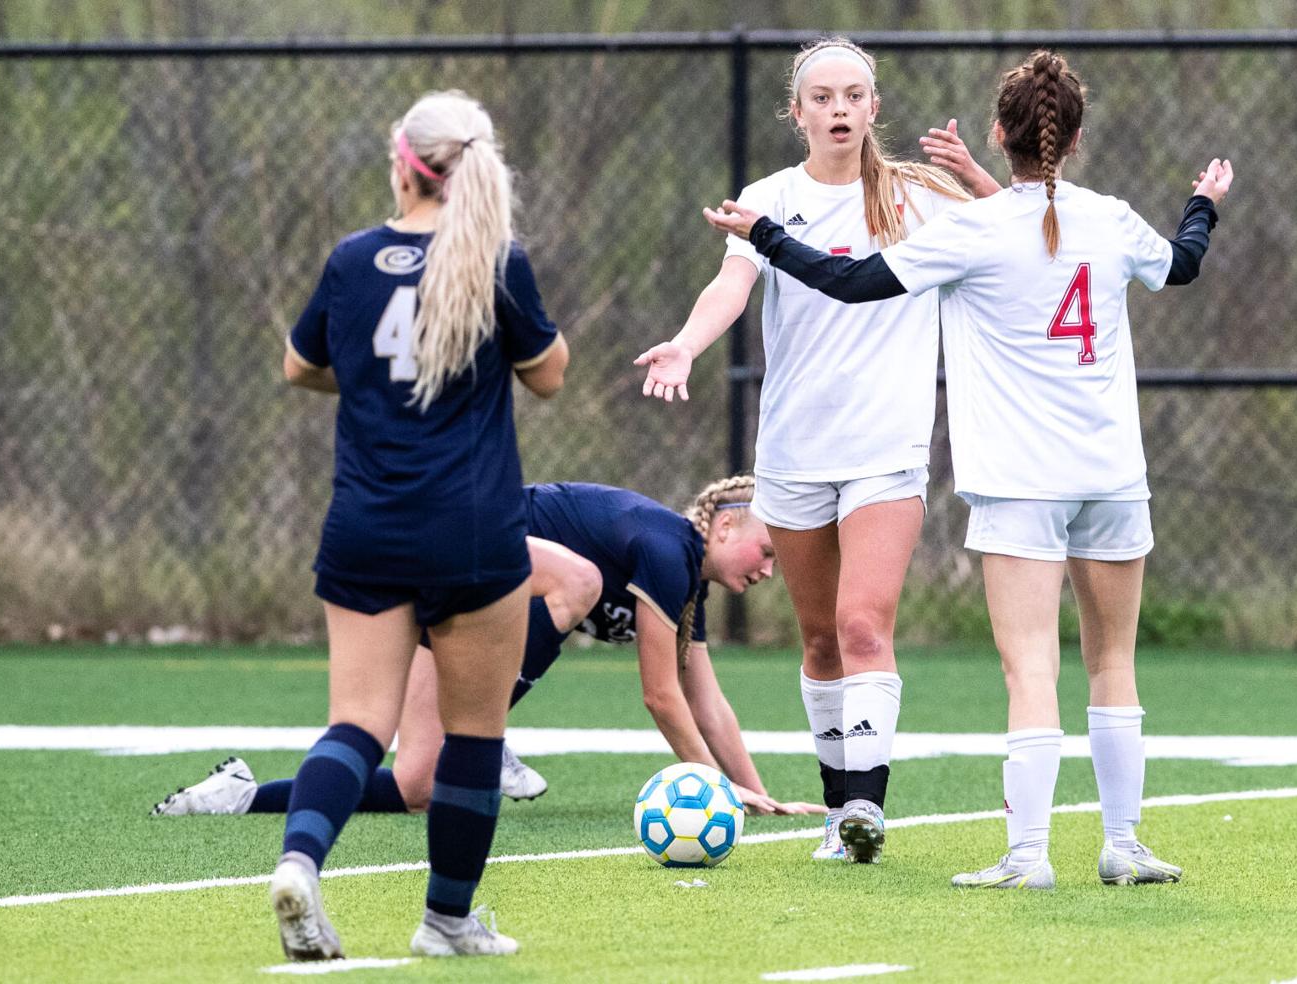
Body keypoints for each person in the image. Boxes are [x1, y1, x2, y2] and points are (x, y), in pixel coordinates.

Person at [702, 49, 1232, 890]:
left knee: (1031, 669)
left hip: (1022, 480)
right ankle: (1124, 846)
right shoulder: (1105, 218)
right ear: (1078, 136)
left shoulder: (972, 231)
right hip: (1112, 475)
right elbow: (1184, 261)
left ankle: (1027, 858)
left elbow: (847, 280)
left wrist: (761, 233)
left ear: (997, 133)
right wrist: (1202, 203)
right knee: (1112, 666)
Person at [635, 37, 998, 865]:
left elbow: (1018, 232)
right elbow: (732, 285)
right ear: (796, 114)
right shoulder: (769, 198)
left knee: (865, 625)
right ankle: (840, 817)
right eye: (823, 97)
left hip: (888, 448)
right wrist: (687, 346)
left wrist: (979, 180)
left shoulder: (918, 198)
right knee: (821, 639)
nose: (839, 109)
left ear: (875, 108)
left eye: (854, 95)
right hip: (796, 449)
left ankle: (865, 808)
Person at [271, 89, 568, 961]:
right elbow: (547, 376)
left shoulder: (352, 259)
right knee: (474, 736)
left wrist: (369, 381)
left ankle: (299, 860)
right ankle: (446, 922)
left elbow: (301, 367)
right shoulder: (495, 261)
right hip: (472, 535)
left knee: (357, 723)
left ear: (403, 162)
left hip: (365, 526)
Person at [153, 477, 823, 819]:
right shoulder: (667, 549)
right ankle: (489, 733)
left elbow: (706, 700)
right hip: (466, 549)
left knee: (417, 784)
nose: (769, 570)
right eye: (767, 551)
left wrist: (755, 792)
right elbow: (660, 696)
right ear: (727, 524)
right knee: (577, 584)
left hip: (458, 594)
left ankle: (241, 795)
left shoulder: (684, 589)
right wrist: (719, 792)